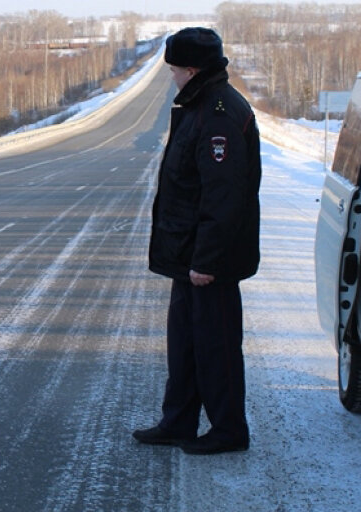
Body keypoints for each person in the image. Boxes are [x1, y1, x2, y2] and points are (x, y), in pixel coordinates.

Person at [131, 28, 261, 454]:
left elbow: (224, 197)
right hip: (188, 257)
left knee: (216, 347)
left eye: (173, 69)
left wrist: (206, 261)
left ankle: (228, 430)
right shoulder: (199, 104)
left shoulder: (218, 112)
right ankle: (178, 422)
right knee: (184, 345)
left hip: (210, 263)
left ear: (191, 68)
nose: (170, 76)